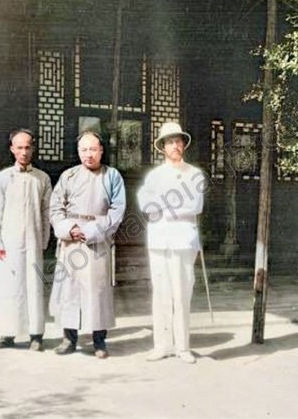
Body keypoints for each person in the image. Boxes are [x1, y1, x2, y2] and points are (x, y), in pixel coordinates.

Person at [49, 131, 126, 359]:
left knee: (97, 290)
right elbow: (55, 208)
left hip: (97, 237)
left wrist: (93, 231)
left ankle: (99, 340)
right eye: (84, 150)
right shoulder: (68, 176)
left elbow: (117, 210)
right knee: (69, 289)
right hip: (71, 239)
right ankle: (68, 338)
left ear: (101, 150)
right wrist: (67, 229)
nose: (88, 155)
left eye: (93, 149)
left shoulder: (112, 176)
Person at [137, 122, 206, 364]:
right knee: (161, 293)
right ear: (162, 147)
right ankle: (162, 346)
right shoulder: (154, 176)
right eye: (170, 142)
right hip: (159, 239)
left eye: (178, 141)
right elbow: (146, 205)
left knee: (182, 292)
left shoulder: (194, 174)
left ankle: (183, 347)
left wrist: (164, 205)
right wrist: (169, 205)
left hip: (184, 239)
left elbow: (195, 206)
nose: (175, 145)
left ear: (183, 145)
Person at [0, 129, 52, 351]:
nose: (24, 152)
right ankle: (7, 334)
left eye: (27, 147)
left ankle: (36, 334)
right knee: (8, 287)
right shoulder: (3, 178)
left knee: (33, 286)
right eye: (19, 147)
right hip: (9, 242)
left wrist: (43, 241)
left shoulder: (42, 179)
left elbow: (46, 213)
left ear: (33, 148)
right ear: (12, 149)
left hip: (34, 241)